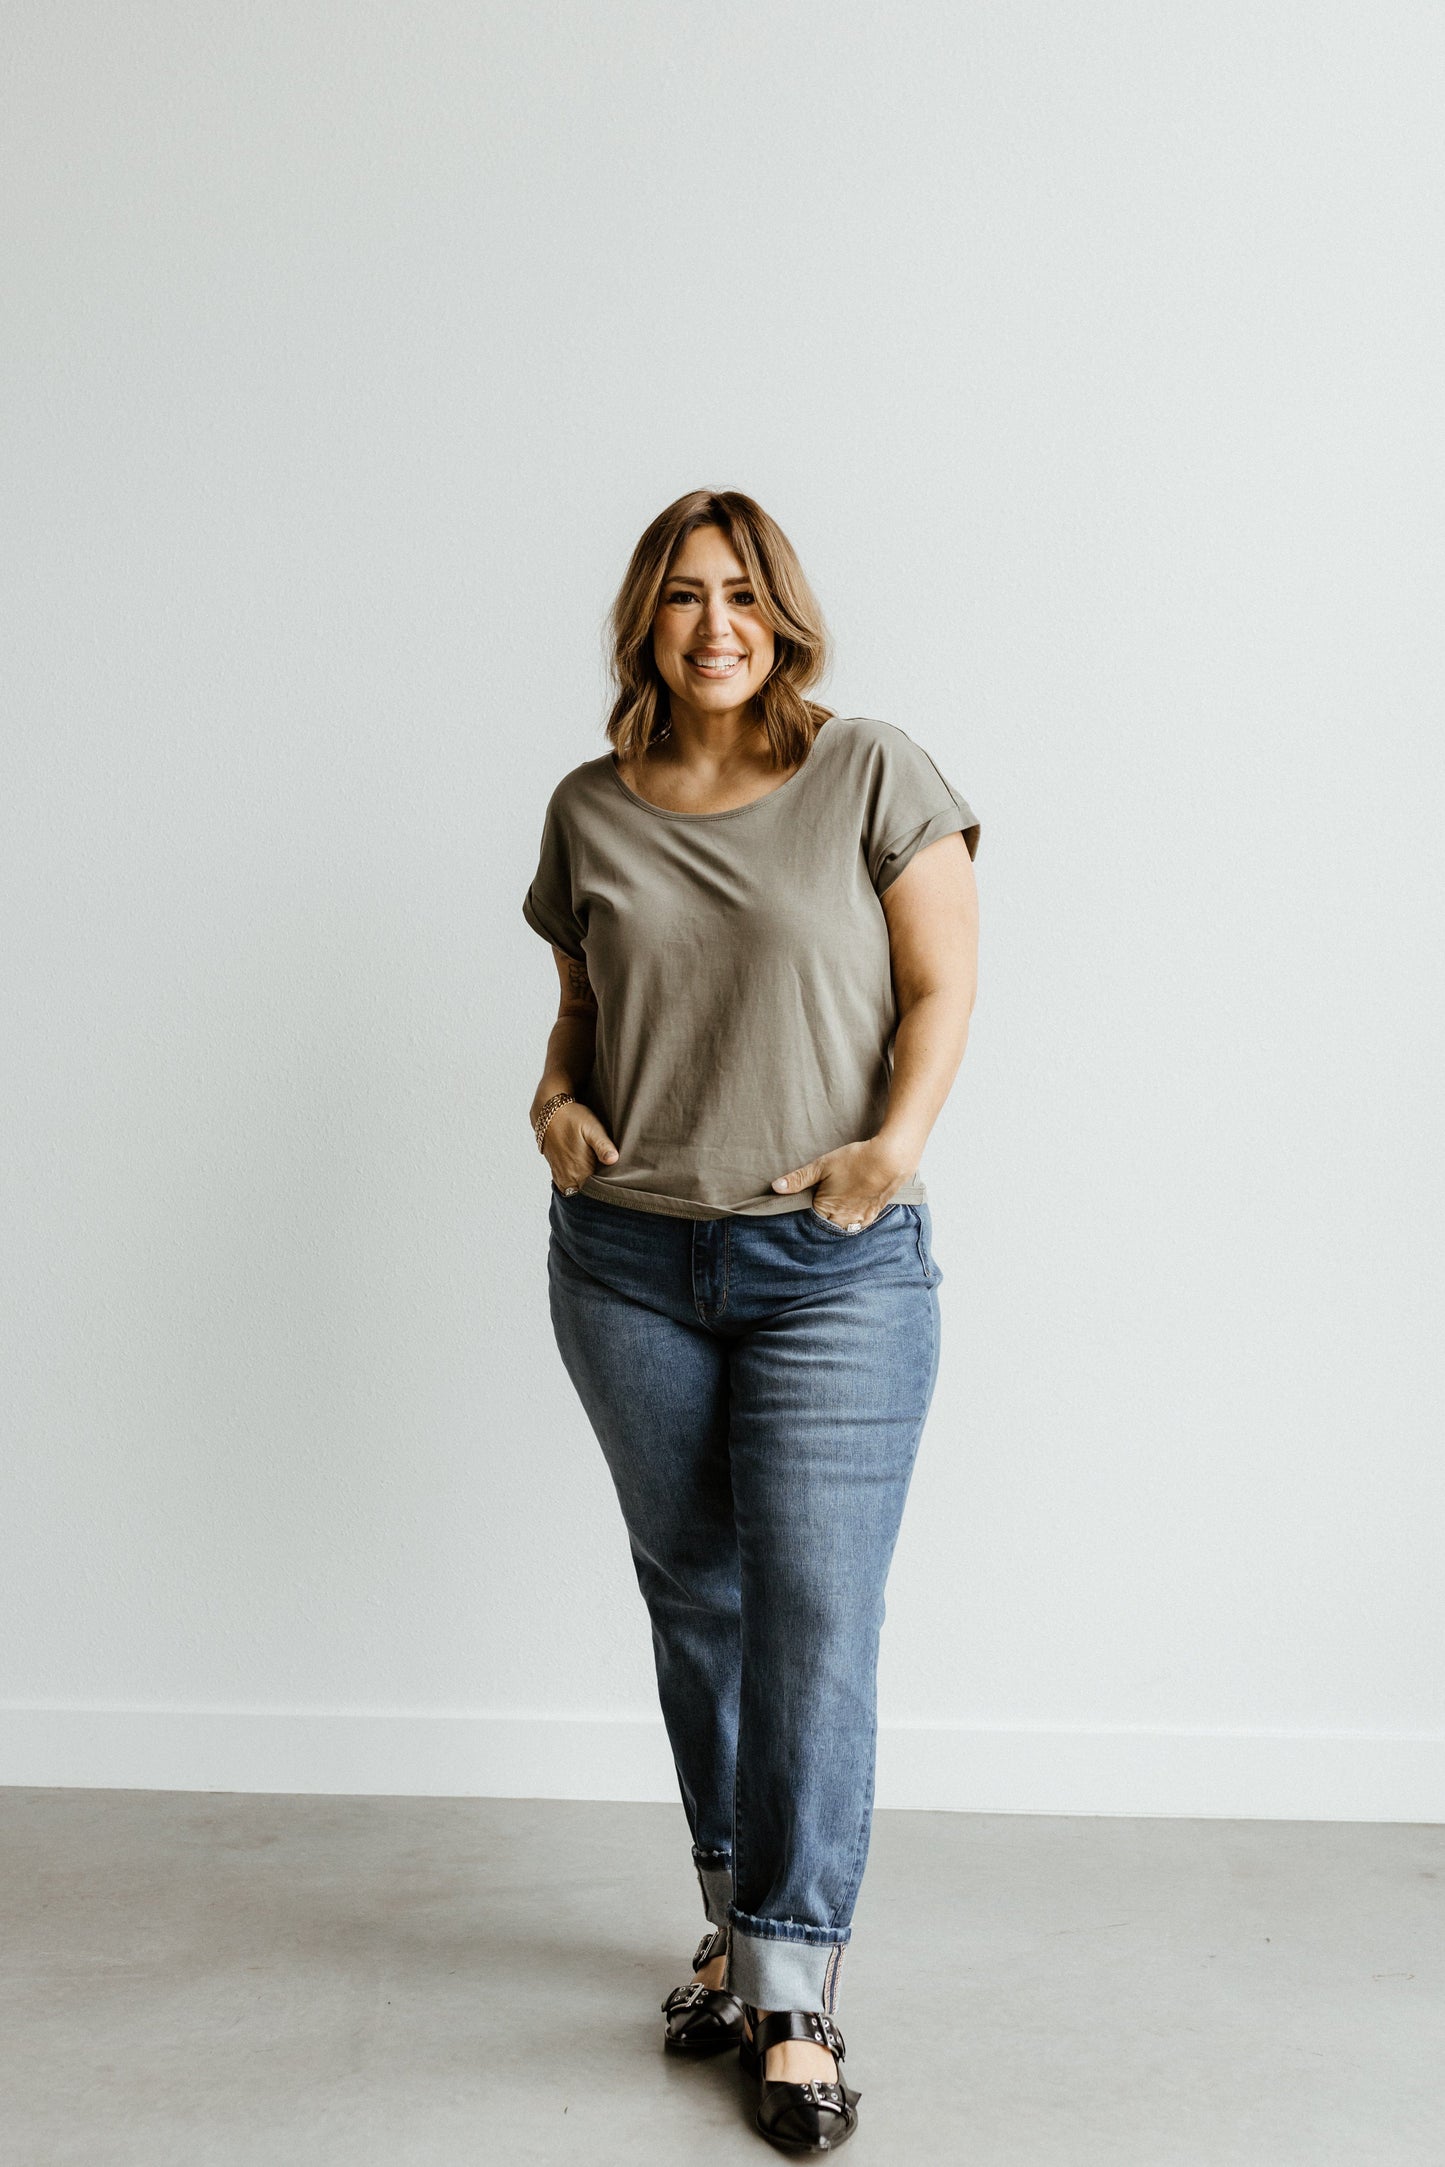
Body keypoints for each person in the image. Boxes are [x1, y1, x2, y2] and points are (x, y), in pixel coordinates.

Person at [522, 489, 980, 2153]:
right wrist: (554, 1100)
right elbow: (580, 1005)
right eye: (679, 599)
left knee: (811, 1617)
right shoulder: (589, 807)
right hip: (628, 1262)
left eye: (741, 596)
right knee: (697, 1604)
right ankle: (733, 1923)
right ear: (643, 623)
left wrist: (892, 1148)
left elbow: (940, 984)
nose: (713, 625)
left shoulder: (870, 770)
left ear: (782, 615)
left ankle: (794, 1995)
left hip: (832, 1269)